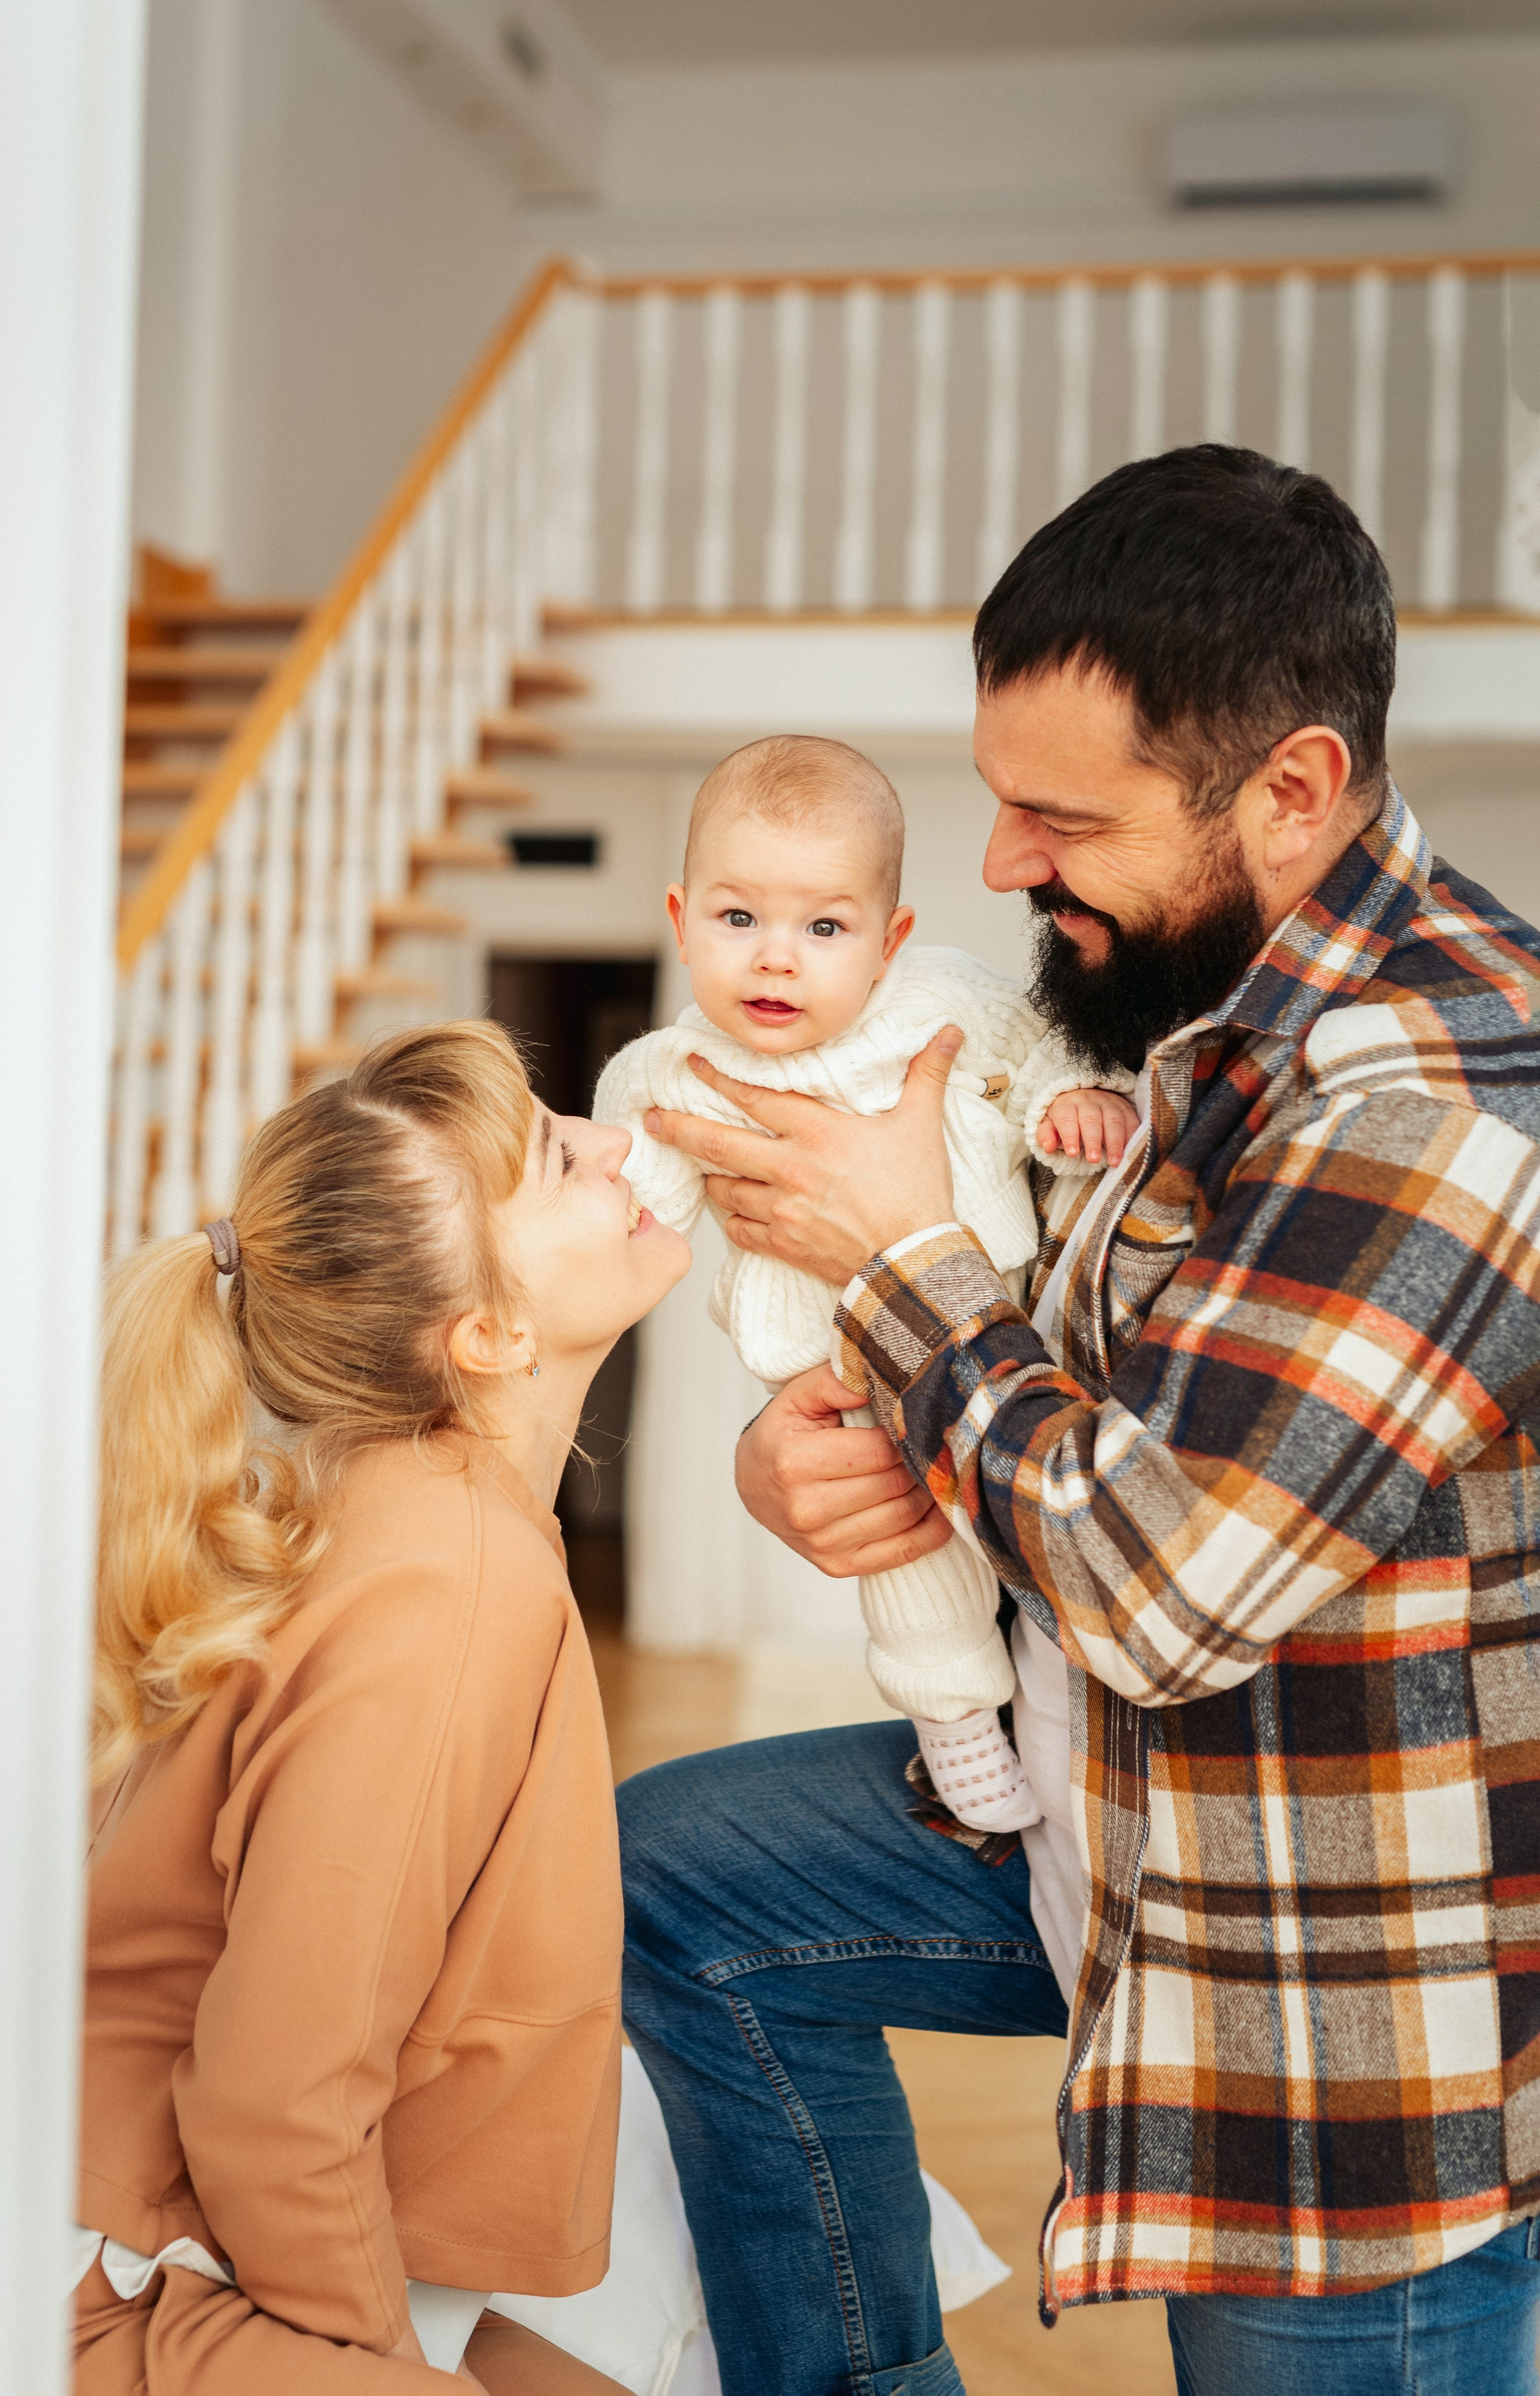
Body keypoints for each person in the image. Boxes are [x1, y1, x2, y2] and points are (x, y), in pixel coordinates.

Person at [616, 446, 1540, 2396]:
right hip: (1103, 1813)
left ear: (1288, 789)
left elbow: (1166, 1590)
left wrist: (892, 1264)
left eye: (1059, 815)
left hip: (1330, 2009)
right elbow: (1057, 1385)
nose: (998, 866)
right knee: (668, 1882)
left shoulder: (1435, 1099)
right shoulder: (1200, 1017)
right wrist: (812, 1459)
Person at [74, 1022, 691, 2395]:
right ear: (487, 1331)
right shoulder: (449, 1576)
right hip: (131, 2273)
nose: (609, 1138)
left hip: (185, 2223)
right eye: (555, 1153)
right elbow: (272, 2101)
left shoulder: (427, 1518)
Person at [595, 732, 1136, 1830]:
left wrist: (1063, 1104)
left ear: (889, 942)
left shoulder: (941, 1002)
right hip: (842, 1376)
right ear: (679, 918)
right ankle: (954, 1728)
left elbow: (1040, 1052)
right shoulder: (670, 1069)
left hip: (1009, 1321)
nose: (776, 959)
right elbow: (628, 1192)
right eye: (737, 919)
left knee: (1030, 1516)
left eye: (824, 927)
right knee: (909, 1553)